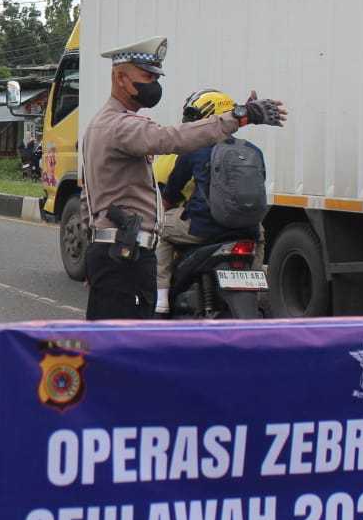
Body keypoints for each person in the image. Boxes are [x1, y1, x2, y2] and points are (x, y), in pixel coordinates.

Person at [80, 36, 286, 320]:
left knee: (115, 344)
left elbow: (86, 197)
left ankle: (165, 301)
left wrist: (94, 254)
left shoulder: (98, 125)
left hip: (113, 253)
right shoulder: (121, 126)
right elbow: (172, 138)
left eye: (156, 77)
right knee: (124, 348)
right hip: (125, 256)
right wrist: (238, 117)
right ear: (120, 78)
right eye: (147, 76)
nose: (154, 84)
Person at [155, 89, 268, 315]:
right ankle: (255, 293)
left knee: (160, 228)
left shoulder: (194, 149)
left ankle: (161, 297)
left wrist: (165, 208)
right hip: (248, 230)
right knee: (261, 237)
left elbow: (171, 193)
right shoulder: (252, 150)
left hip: (203, 228)